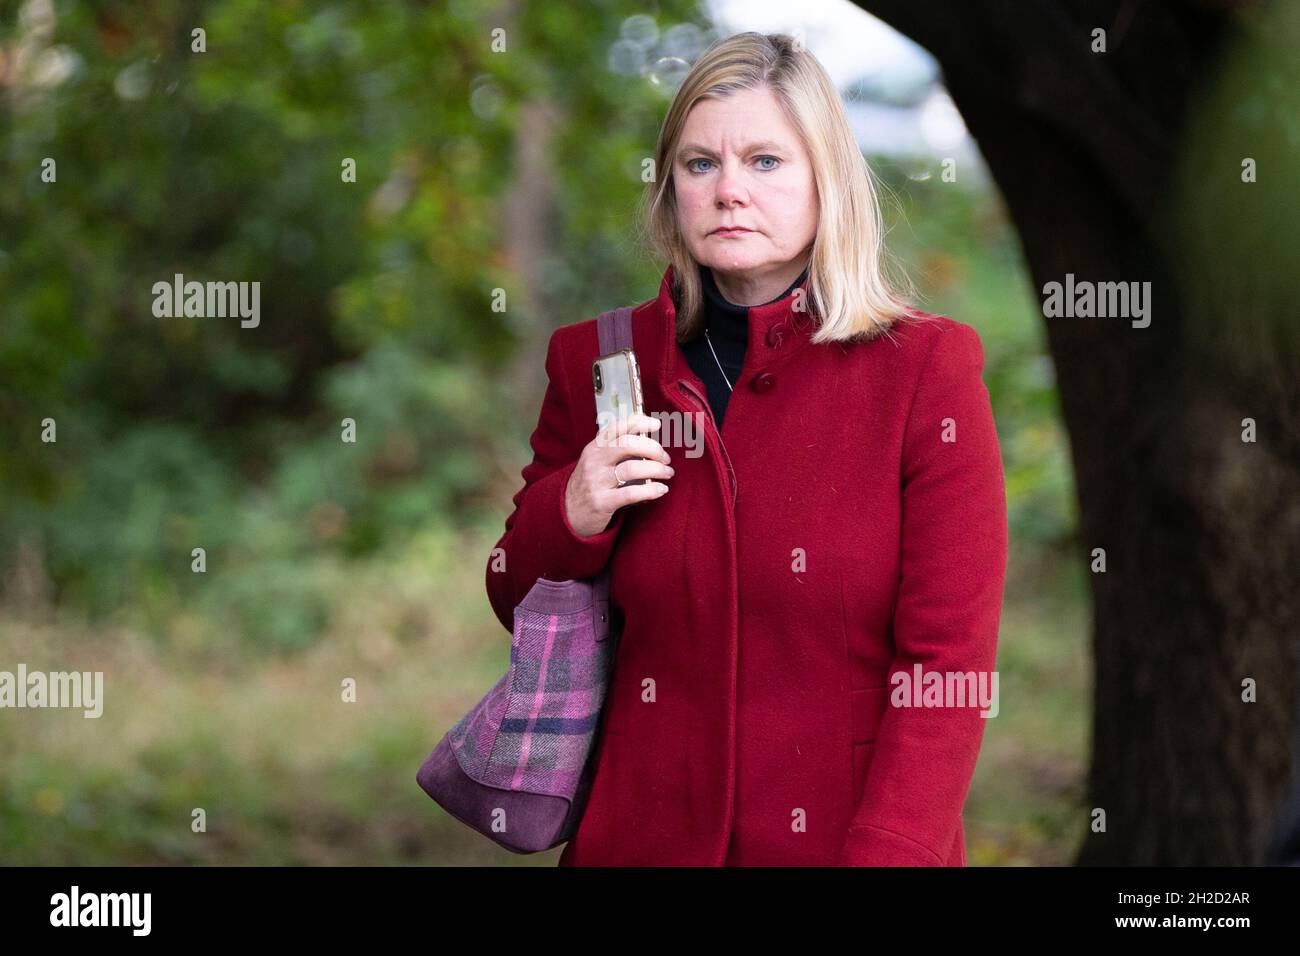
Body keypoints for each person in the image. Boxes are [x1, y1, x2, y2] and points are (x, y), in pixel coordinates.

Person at [486, 31, 1008, 866]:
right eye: (700, 165)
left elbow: (949, 667)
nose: (730, 190)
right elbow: (515, 598)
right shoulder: (599, 359)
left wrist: (888, 854)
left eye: (765, 161)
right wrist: (571, 509)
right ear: (669, 189)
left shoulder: (924, 371)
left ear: (825, 182)